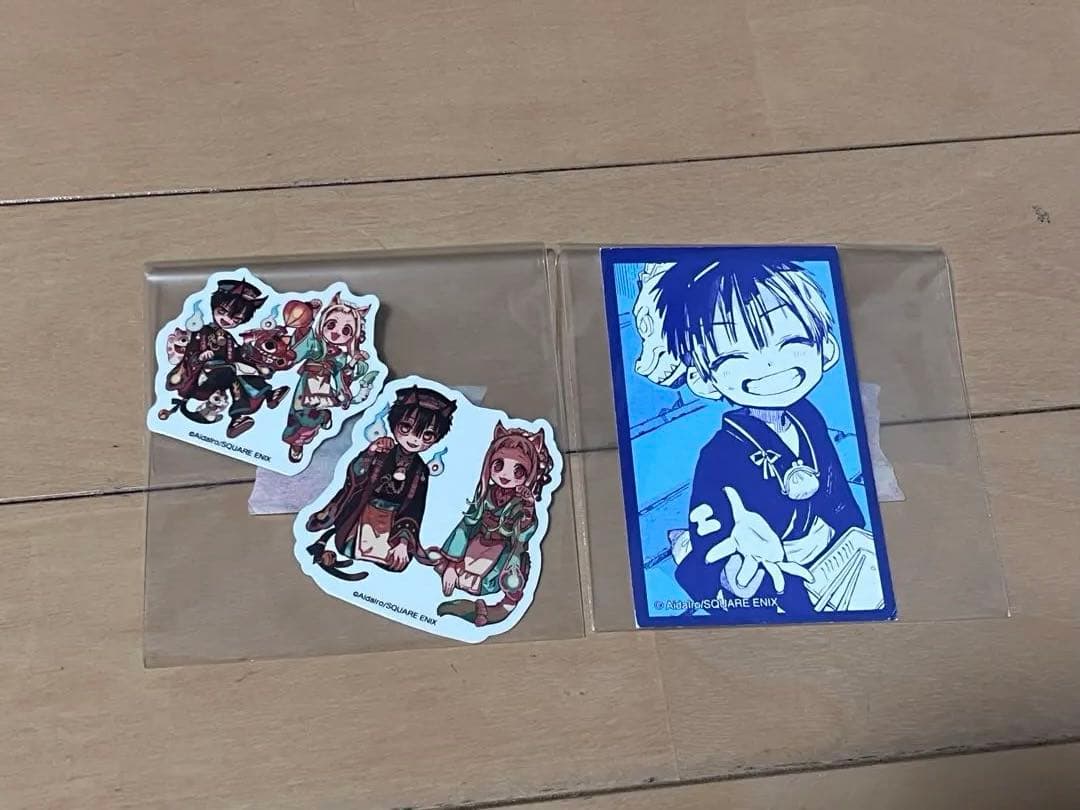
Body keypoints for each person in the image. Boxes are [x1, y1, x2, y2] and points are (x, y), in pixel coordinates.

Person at [653, 257, 865, 619]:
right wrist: (736, 565)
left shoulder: (808, 417)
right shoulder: (719, 454)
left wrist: (851, 531)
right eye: (736, 355)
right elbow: (710, 523)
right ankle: (684, 549)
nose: (769, 364)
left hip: (820, 542)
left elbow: (834, 486)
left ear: (826, 348)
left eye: (790, 341)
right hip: (763, 561)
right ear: (704, 380)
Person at [303, 386, 456, 580]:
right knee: (347, 546)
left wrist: (403, 542)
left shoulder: (420, 470)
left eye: (427, 435)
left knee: (396, 563)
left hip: (393, 522)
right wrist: (371, 451)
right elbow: (354, 477)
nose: (414, 439)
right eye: (406, 428)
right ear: (395, 424)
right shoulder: (381, 452)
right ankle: (330, 546)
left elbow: (415, 508)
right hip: (362, 513)